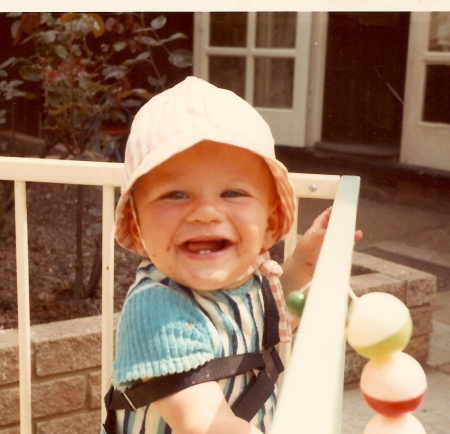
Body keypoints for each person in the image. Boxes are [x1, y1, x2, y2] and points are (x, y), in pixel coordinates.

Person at [102, 77, 361, 434]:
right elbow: (207, 425)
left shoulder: (247, 278)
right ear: (137, 224)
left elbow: (266, 314)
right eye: (175, 194)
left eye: (233, 192)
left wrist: (304, 262)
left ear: (270, 224)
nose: (205, 212)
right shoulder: (155, 309)